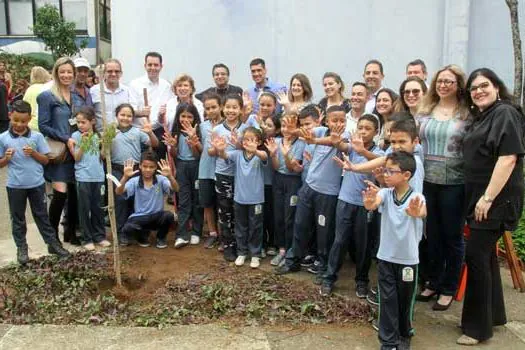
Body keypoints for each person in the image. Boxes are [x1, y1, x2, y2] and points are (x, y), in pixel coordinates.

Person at [457, 68, 525, 346]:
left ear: (497, 86)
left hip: (495, 200)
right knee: (484, 257)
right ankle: (494, 315)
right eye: (473, 88)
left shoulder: (505, 113)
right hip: (479, 196)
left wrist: (487, 198)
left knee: (476, 256)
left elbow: (508, 158)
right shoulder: (483, 116)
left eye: (484, 85)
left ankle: (476, 329)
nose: (478, 91)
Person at [416, 65, 470, 311]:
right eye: (440, 81)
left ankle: (449, 288)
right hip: (427, 180)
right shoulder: (426, 109)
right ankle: (433, 282)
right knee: (432, 235)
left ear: (459, 84)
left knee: (453, 236)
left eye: (449, 81)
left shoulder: (467, 112)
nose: (443, 85)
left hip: (455, 183)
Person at [363, 151, 427, 350]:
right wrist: (369, 203)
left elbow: (422, 211)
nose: (386, 175)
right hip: (386, 257)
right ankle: (388, 341)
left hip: (408, 260)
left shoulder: (416, 197)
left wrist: (418, 213)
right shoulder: (385, 193)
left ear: (406, 175)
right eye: (386, 171)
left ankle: (404, 334)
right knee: (387, 300)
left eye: (391, 171)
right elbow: (375, 203)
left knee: (405, 301)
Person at [274, 105, 348, 277]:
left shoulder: (347, 136)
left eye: (341, 120)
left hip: (328, 193)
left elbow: (338, 143)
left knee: (324, 232)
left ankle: (323, 265)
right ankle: (292, 261)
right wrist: (295, 130)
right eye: (334, 120)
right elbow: (305, 133)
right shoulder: (321, 130)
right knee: (300, 225)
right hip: (308, 187)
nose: (338, 123)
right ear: (326, 120)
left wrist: (314, 141)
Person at [321, 114, 384, 297]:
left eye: (368, 129)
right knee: (339, 240)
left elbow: (378, 161)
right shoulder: (353, 147)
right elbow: (342, 145)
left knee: (363, 244)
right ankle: (329, 277)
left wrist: (362, 150)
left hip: (366, 205)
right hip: (345, 201)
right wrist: (336, 140)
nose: (363, 132)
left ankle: (362, 280)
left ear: (376, 132)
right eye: (361, 127)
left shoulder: (379, 153)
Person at [0, 100, 70, 264]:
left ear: (29, 119)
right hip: (15, 186)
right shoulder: (3, 138)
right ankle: (22, 248)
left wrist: (33, 154)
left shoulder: (37, 137)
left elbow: (46, 160)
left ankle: (52, 244)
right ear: (10, 116)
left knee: (42, 216)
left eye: (23, 121)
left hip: (36, 185)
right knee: (17, 219)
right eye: (16, 120)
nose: (19, 124)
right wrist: (6, 159)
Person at [210, 94, 259, 261]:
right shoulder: (217, 129)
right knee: (224, 211)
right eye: (228, 107)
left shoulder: (245, 128)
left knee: (239, 213)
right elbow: (210, 152)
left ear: (240, 109)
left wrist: (238, 143)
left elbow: (248, 149)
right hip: (223, 174)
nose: (231, 110)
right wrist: (218, 148)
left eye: (234, 107)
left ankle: (241, 245)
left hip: (241, 176)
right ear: (223, 108)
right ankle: (228, 245)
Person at [38, 57, 81, 245]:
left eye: (69, 72)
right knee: (60, 194)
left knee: (74, 195)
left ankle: (70, 232)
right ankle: (51, 236)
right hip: (59, 153)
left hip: (75, 152)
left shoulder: (77, 97)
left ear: (74, 74)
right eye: (62, 72)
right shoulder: (47, 96)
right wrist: (65, 138)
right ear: (56, 73)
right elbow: (43, 125)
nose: (66, 75)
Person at [213, 126, 268, 268]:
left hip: (256, 200)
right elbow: (225, 156)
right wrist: (220, 149)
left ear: (259, 141)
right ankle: (242, 252)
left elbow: (265, 157)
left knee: (255, 227)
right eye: (245, 139)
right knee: (240, 226)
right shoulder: (237, 154)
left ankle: (255, 254)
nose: (248, 142)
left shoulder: (260, 154)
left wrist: (255, 150)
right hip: (239, 199)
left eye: (252, 140)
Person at [111, 103, 158, 245]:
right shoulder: (111, 132)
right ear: (117, 116)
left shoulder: (138, 132)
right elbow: (103, 154)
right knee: (120, 201)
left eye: (129, 115)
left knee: (139, 202)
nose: (125, 118)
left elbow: (155, 144)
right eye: (122, 115)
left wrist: (150, 132)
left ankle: (141, 233)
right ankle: (121, 233)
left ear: (133, 117)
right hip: (117, 170)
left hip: (136, 170)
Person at [115, 151, 179, 249]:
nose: (148, 170)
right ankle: (142, 238)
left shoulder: (161, 179)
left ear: (155, 168)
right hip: (140, 217)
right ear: (140, 166)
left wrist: (170, 176)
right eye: (145, 166)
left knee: (169, 216)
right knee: (128, 227)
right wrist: (125, 177)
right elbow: (118, 192)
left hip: (157, 216)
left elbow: (176, 189)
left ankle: (161, 238)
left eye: (151, 167)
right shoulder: (134, 181)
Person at [264, 115, 305, 266]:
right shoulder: (275, 141)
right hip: (278, 180)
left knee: (290, 216)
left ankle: (290, 250)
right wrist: (274, 154)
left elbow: (292, 168)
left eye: (290, 126)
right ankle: (281, 249)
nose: (286, 130)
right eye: (283, 126)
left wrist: (287, 155)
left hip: (293, 181)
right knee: (278, 215)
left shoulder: (300, 144)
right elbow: (275, 167)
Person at [70, 107, 110, 250]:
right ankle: (87, 238)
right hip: (83, 177)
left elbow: (102, 157)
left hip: (98, 177)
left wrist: (105, 143)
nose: (80, 125)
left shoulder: (97, 136)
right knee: (84, 209)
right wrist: (83, 143)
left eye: (83, 122)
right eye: (78, 122)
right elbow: (76, 157)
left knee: (98, 208)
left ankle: (99, 235)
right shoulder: (75, 136)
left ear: (92, 121)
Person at [165, 103, 203, 248]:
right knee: (183, 199)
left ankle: (196, 232)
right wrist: (173, 146)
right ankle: (182, 234)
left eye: (189, 116)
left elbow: (197, 155)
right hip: (181, 166)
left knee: (197, 199)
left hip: (195, 166)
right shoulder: (176, 131)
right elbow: (175, 156)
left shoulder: (197, 131)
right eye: (183, 116)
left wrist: (193, 142)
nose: (186, 119)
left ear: (195, 118)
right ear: (178, 117)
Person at [129, 52, 174, 159]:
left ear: (161, 66)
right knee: (142, 165)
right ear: (145, 66)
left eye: (156, 65)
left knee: (158, 165)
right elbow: (130, 111)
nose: (153, 68)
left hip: (158, 131)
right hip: (141, 131)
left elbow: (169, 109)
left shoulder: (166, 86)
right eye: (150, 65)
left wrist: (162, 115)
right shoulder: (135, 84)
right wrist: (141, 113)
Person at [198, 93, 223, 248]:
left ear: (220, 106)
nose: (211, 110)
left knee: (222, 204)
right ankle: (213, 233)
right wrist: (194, 144)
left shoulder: (227, 125)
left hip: (222, 171)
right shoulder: (202, 126)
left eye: (214, 107)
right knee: (207, 203)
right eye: (207, 108)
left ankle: (225, 236)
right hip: (205, 169)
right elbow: (202, 149)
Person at [90, 58, 137, 131]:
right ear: (104, 73)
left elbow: (133, 111)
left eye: (117, 71)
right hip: (101, 136)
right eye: (110, 71)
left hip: (122, 135)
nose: (113, 74)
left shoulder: (127, 91)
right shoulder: (94, 91)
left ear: (121, 73)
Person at [23, 66, 52, 131]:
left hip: (30, 123)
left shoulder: (30, 89)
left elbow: (24, 105)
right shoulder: (48, 88)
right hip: (45, 124)